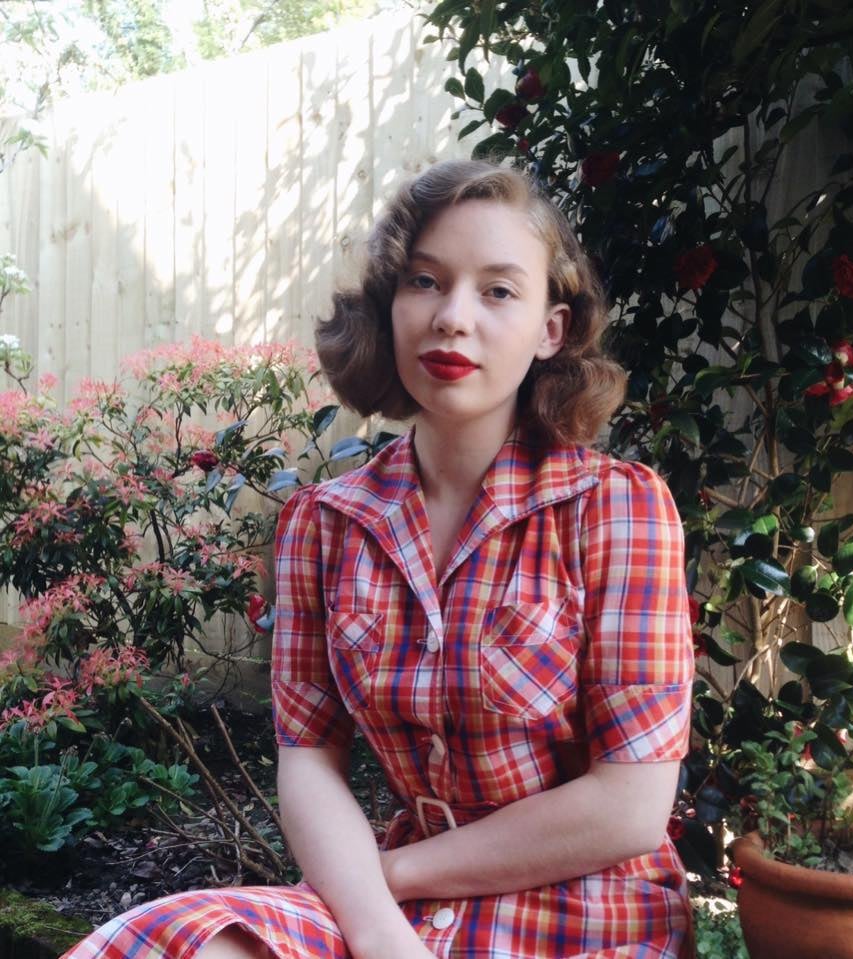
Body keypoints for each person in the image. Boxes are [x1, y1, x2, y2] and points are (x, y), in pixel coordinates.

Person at [61, 159, 695, 959]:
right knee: (171, 942)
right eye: (424, 281)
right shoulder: (324, 524)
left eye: (498, 290)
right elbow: (308, 762)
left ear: (550, 329)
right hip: (385, 911)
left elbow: (629, 805)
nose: (452, 317)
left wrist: (386, 876)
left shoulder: (615, 509)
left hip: (583, 913)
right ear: (389, 306)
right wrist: (377, 928)